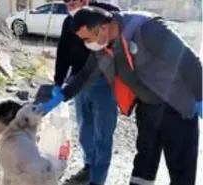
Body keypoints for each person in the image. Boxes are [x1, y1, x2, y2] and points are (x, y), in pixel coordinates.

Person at [36, 7, 203, 185]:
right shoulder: (104, 47)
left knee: (181, 169)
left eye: (87, 39)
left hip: (177, 107)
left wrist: (201, 97)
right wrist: (61, 96)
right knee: (143, 165)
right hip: (148, 108)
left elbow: (188, 60)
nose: (86, 44)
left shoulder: (147, 29)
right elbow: (86, 75)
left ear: (103, 29)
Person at [53, 0, 120, 184]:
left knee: (103, 134)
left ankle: (98, 180)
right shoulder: (70, 22)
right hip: (78, 82)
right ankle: (89, 165)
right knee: (84, 130)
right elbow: (63, 52)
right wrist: (58, 82)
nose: (70, 9)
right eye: (68, 5)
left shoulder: (108, 15)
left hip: (105, 83)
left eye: (74, 3)